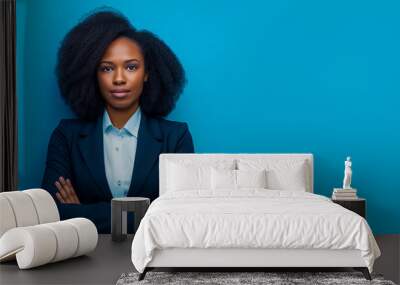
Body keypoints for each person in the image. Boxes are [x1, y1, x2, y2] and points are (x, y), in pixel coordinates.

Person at [41, 10, 194, 233]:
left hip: (154, 259)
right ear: (92, 73)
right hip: (84, 259)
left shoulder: (176, 138)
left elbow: (178, 218)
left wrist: (82, 213)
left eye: (131, 67)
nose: (119, 78)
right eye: (107, 68)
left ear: (147, 73)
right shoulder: (67, 136)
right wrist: (146, 212)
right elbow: (52, 213)